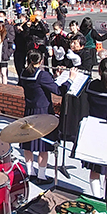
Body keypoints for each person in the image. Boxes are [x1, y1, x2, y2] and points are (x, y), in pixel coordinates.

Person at [19, 50, 73, 185]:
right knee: (44, 145)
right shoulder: (42, 75)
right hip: (43, 112)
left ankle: (30, 172)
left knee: (28, 143)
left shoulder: (24, 73)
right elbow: (59, 91)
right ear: (41, 60)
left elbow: (44, 85)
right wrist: (70, 79)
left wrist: (55, 76)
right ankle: (41, 176)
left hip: (29, 111)